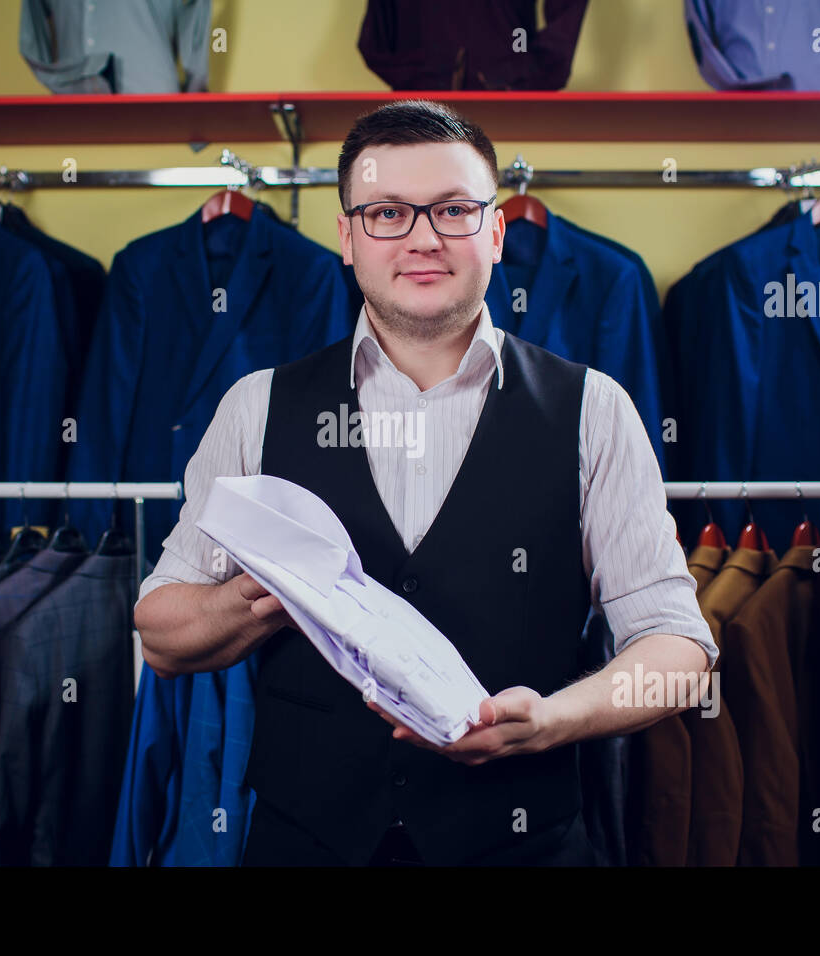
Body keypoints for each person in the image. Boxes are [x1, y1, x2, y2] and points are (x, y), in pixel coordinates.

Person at [134, 99, 716, 866]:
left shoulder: (595, 410)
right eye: (386, 213)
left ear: (497, 232)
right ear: (346, 237)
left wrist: (551, 719)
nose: (422, 238)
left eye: (453, 210)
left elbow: (680, 654)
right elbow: (160, 633)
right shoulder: (258, 408)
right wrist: (260, 596)